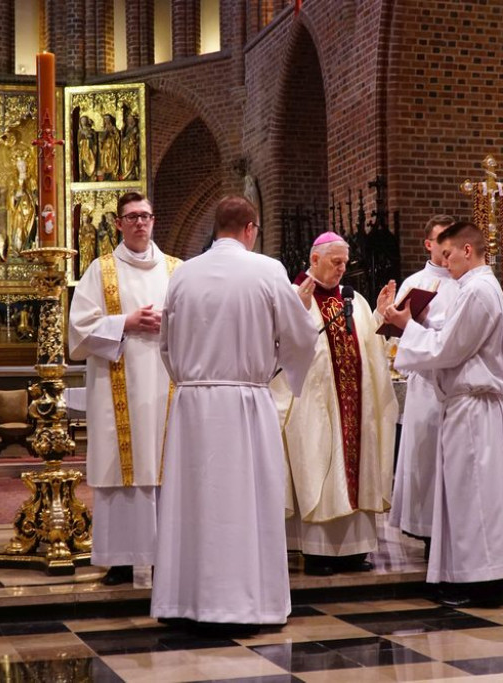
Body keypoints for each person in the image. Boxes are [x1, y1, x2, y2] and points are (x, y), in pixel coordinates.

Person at [151, 196, 317, 635]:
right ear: (250, 229)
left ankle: (185, 600)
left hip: (192, 405)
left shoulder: (182, 274)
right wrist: (272, 369)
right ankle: (249, 603)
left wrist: (194, 379)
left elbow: (166, 345)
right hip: (246, 403)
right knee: (247, 503)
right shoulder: (266, 270)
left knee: (195, 502)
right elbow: (300, 338)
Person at [383, 221, 503, 607]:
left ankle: (479, 583)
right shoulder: (475, 289)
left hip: (473, 409)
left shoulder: (479, 291)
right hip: (470, 406)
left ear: (468, 250)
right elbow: (447, 336)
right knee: (469, 496)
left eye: (447, 255)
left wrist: (404, 326)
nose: (444, 264)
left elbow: (447, 348)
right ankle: (472, 578)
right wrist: (408, 324)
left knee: (474, 498)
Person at [68, 192, 179, 586]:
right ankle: (119, 560)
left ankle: (168, 556)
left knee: (167, 467)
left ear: (154, 220)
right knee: (121, 467)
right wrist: (125, 322)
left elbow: (197, 321)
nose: (139, 223)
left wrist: (171, 322)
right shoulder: (100, 271)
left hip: (167, 386)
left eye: (145, 216)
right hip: (119, 384)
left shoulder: (176, 270)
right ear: (118, 223)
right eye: (131, 217)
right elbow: (77, 333)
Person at [272, 232, 396, 576]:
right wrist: (296, 309)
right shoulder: (294, 296)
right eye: (335, 262)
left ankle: (356, 548)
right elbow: (275, 347)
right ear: (314, 260)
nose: (342, 269)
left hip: (357, 406)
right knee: (318, 467)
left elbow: (372, 348)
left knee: (358, 467)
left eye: (345, 262)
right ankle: (319, 550)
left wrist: (383, 316)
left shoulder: (353, 299)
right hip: (314, 405)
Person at [388, 214, 461, 555]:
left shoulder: (466, 281)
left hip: (456, 384)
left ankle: (454, 529)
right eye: (441, 238)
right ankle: (426, 529)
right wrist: (410, 324)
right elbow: (394, 335)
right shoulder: (414, 282)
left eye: (452, 237)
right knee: (425, 459)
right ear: (428, 244)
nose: (447, 245)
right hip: (424, 384)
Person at [7, 156, 37, 259]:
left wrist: (31, 194)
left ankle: (27, 248)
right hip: (18, 210)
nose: (22, 167)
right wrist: (16, 194)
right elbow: (11, 197)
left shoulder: (31, 180)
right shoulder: (14, 181)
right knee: (18, 229)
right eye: (19, 165)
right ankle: (17, 250)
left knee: (28, 230)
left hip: (29, 210)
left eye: (23, 165)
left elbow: (35, 194)